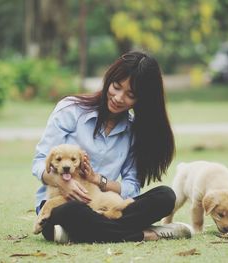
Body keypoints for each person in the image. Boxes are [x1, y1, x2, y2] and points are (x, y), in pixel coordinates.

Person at [32, 51, 194, 243]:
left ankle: (82, 233)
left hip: (105, 206)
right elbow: (39, 163)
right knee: (72, 210)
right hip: (61, 207)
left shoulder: (133, 132)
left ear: (141, 99)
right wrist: (63, 183)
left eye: (130, 95)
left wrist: (97, 179)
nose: (118, 97)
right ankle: (148, 234)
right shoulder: (70, 110)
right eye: (116, 87)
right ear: (109, 80)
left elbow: (131, 188)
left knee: (165, 196)